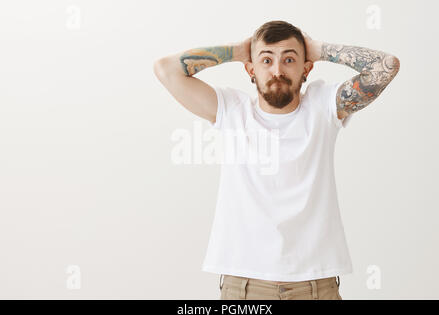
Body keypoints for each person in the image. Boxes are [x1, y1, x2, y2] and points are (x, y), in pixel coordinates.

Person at [153, 20, 400, 300]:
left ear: (306, 68)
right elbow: (165, 69)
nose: (278, 70)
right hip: (244, 287)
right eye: (266, 60)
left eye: (290, 59)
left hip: (316, 286)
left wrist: (317, 49)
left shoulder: (323, 106)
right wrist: (237, 50)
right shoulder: (231, 111)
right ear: (250, 69)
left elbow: (387, 65)